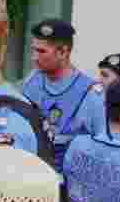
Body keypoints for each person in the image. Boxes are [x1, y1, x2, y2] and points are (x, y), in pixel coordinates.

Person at [22, 19, 106, 171]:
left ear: (63, 52)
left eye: (41, 51)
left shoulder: (91, 94)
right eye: (33, 50)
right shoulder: (31, 82)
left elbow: (103, 148)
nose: (34, 57)